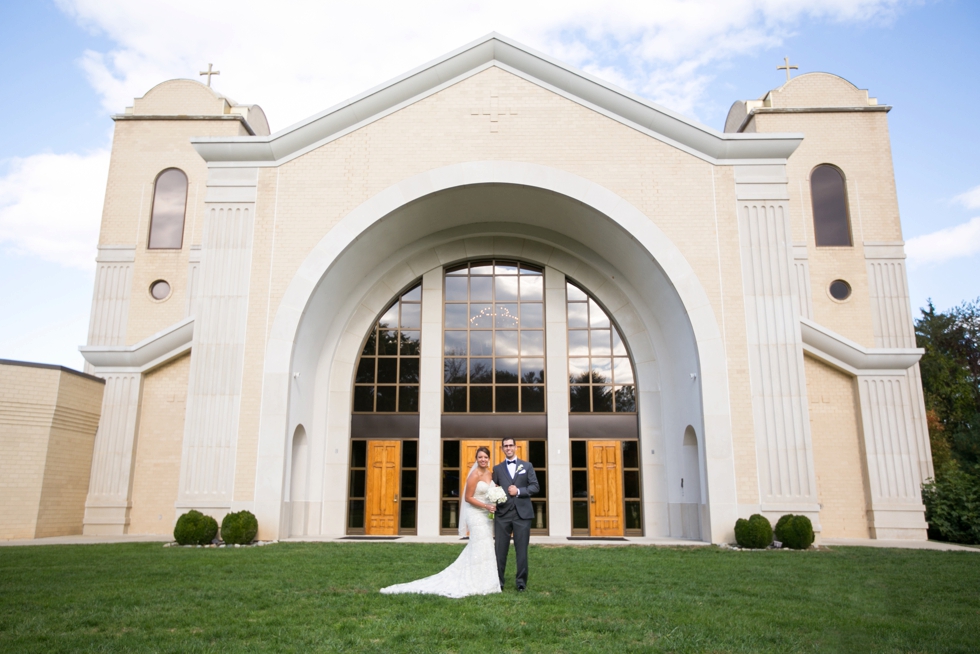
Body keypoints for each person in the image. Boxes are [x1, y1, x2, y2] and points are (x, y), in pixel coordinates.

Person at [380, 446, 501, 598]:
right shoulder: (474, 475)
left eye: (485, 457)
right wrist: (485, 505)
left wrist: (496, 495)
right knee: (480, 543)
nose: (483, 460)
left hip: (486, 515)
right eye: (480, 457)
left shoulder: (490, 473)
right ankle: (474, 581)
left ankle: (487, 581)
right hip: (475, 514)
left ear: (489, 459)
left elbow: (491, 491)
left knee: (486, 545)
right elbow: (468, 498)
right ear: (476, 459)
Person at [491, 437, 539, 592]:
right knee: (500, 550)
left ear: (516, 447)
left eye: (511, 445)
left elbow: (535, 487)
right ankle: (499, 582)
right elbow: (494, 488)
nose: (508, 448)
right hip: (502, 515)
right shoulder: (497, 469)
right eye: (505, 446)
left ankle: (521, 583)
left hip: (522, 515)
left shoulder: (527, 466)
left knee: (522, 551)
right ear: (502, 449)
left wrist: (518, 491)